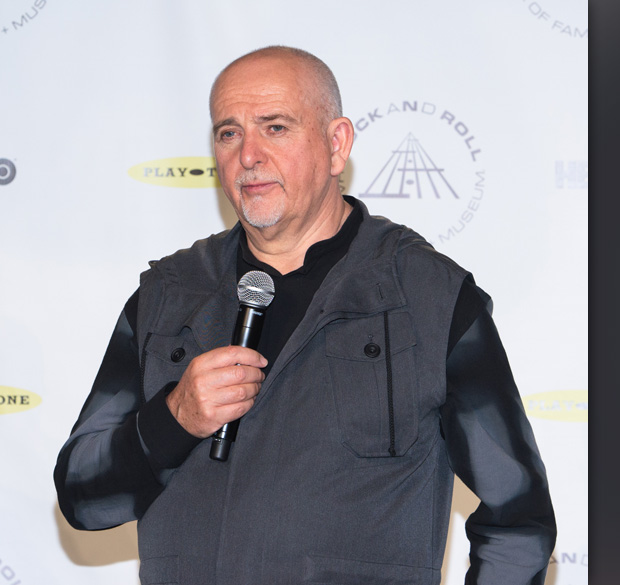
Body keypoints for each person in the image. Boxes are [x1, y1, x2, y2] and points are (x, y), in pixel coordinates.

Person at [54, 46, 556, 584]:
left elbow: (519, 521)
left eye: (275, 128)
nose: (248, 155)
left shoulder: (428, 296)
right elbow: (83, 499)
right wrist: (173, 420)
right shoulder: (168, 293)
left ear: (337, 144)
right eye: (229, 133)